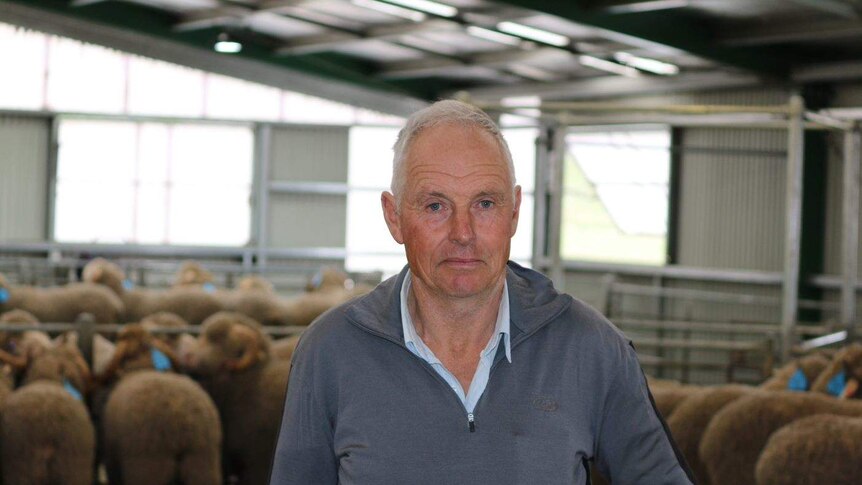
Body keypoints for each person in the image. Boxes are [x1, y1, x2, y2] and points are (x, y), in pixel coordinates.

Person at [269, 100, 694, 484]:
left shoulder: (590, 348)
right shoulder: (330, 352)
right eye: (435, 206)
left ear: (514, 212)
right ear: (394, 217)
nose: (463, 233)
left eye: (485, 204)